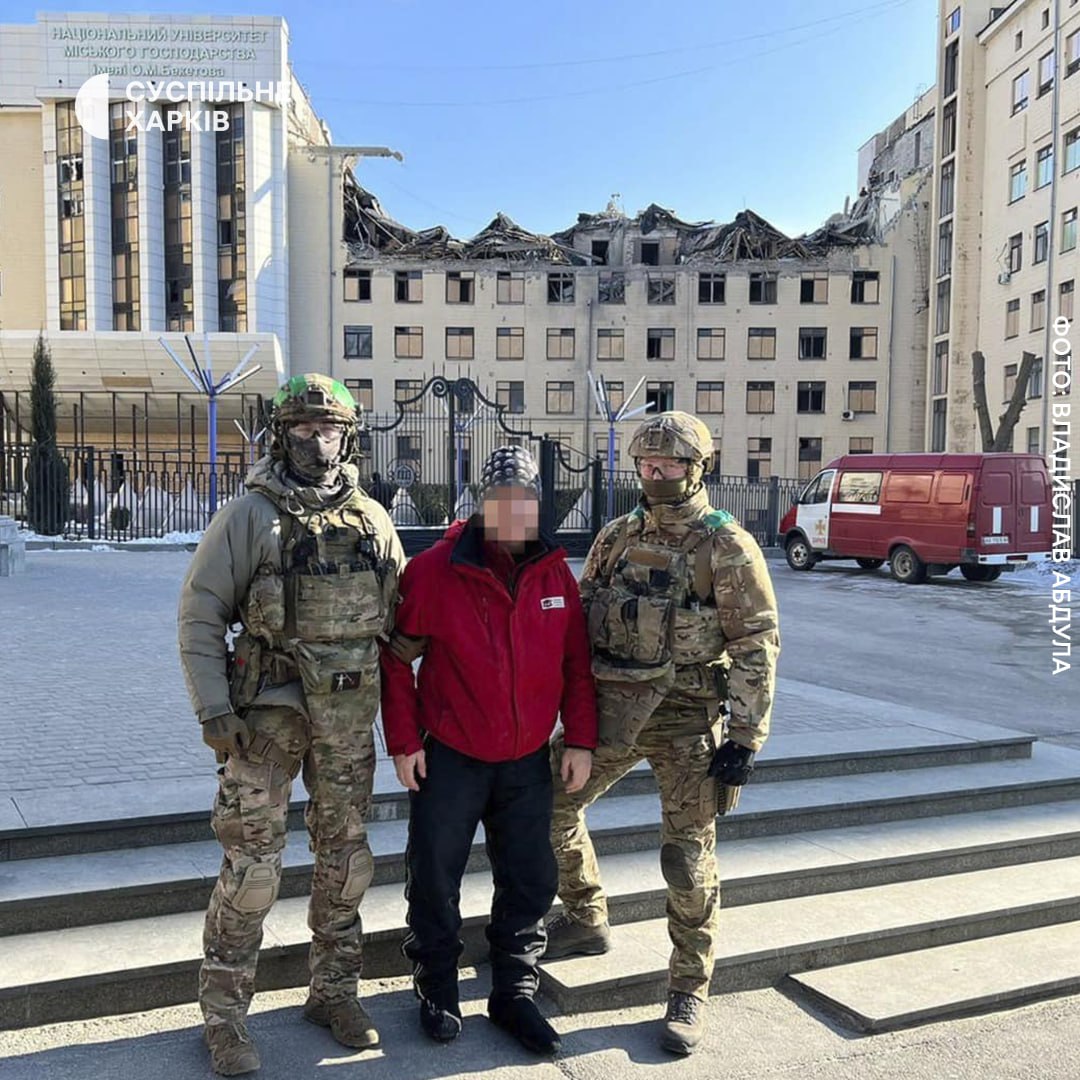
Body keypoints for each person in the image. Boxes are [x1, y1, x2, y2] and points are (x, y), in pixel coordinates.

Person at [178, 374, 405, 1076]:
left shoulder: (371, 518)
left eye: (328, 429)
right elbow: (201, 613)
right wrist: (214, 709)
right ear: (282, 435)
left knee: (346, 866)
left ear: (348, 436)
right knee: (251, 871)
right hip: (265, 722)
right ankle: (224, 1019)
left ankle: (333, 993)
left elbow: (400, 624)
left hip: (345, 720)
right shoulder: (249, 516)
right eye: (302, 430)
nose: (316, 441)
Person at [545, 411, 780, 1055]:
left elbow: (757, 641)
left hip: (686, 722)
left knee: (686, 858)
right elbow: (579, 622)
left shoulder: (725, 545)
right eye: (646, 466)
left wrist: (744, 737)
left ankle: (687, 988)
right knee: (549, 807)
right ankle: (586, 915)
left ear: (697, 468)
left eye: (669, 465)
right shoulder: (617, 535)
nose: (655, 475)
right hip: (614, 715)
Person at [380, 445, 597, 1055]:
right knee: (435, 874)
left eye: (524, 501)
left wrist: (579, 738)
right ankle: (438, 988)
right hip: (450, 754)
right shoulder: (436, 570)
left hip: (527, 758)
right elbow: (396, 660)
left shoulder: (555, 572)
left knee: (530, 877)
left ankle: (514, 993)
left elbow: (577, 665)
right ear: (482, 505)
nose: (513, 512)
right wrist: (402, 742)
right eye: (501, 501)